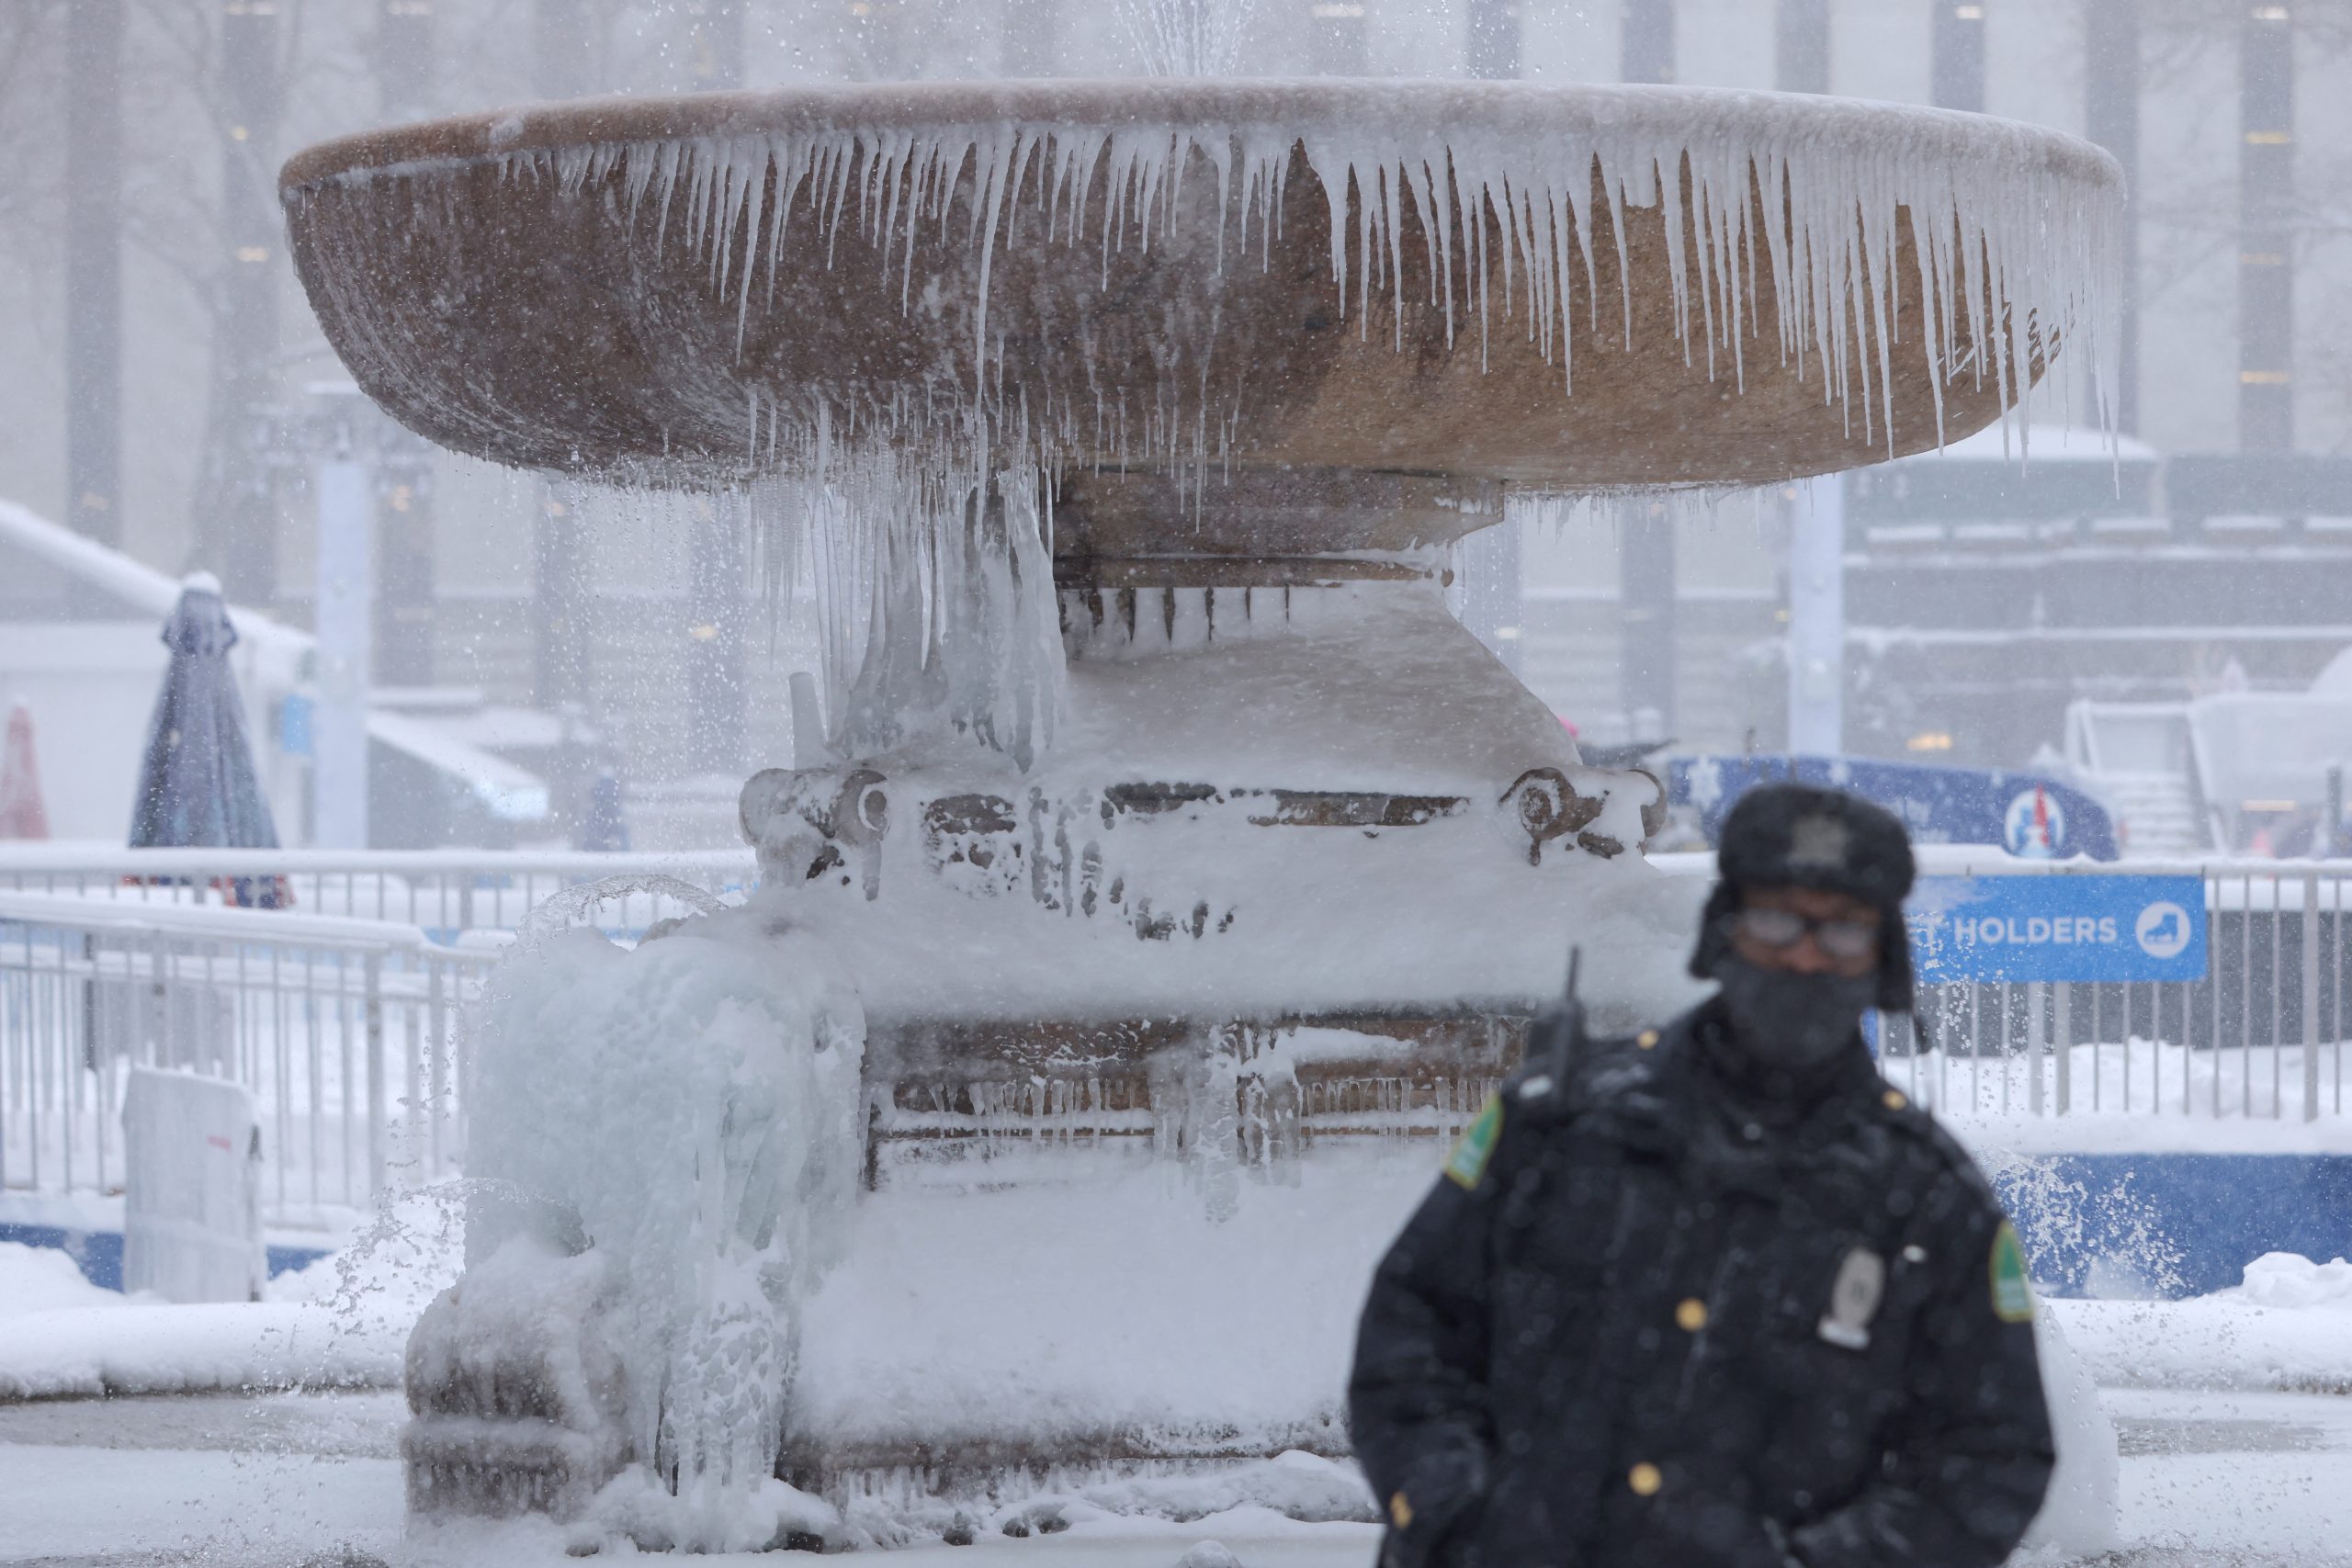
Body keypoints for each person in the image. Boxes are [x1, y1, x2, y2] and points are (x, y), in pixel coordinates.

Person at [1349, 783, 2052, 1568]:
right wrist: (1455, 1512)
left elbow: (1994, 1455)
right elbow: (1411, 1333)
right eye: (1778, 918)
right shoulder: (1559, 1126)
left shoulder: (1927, 1202)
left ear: (1884, 958)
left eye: (1844, 931)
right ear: (1723, 931)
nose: (1807, 954)